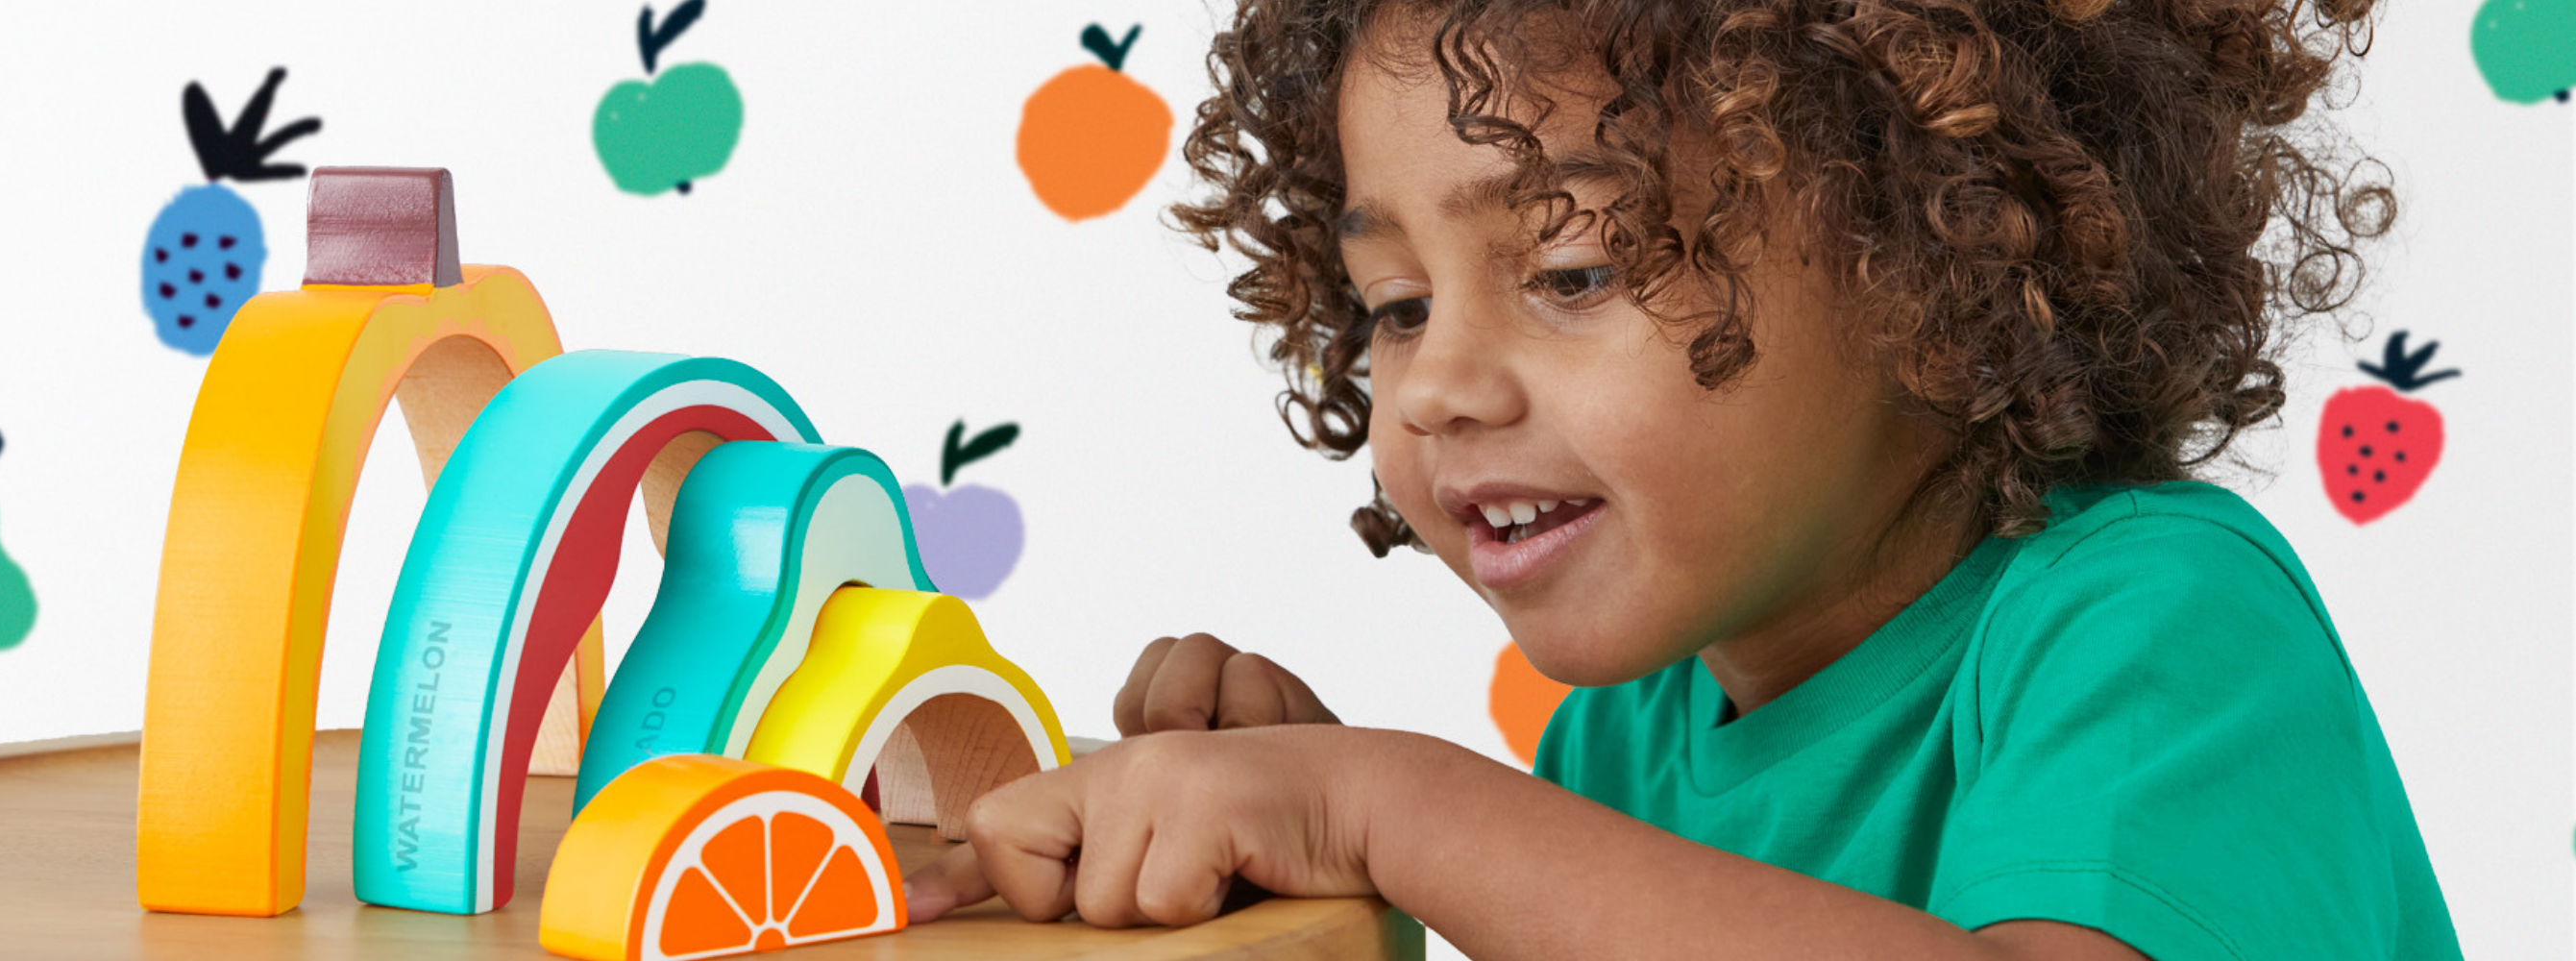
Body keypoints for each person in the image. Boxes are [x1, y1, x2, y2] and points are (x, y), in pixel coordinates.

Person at [905, 0, 2457, 957]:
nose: (1437, 384)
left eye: (1574, 267)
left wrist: (1389, 810)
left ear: (1933, 256)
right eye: (1394, 305)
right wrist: (1315, 901)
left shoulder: (2157, 626)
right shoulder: (1619, 755)